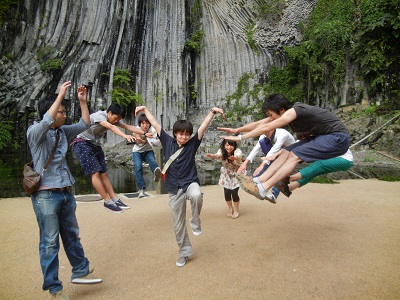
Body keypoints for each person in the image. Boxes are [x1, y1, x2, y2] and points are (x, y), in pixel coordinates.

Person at [27, 82, 102, 299]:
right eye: (61, 111)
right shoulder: (35, 133)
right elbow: (47, 120)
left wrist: (83, 102)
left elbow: (85, 123)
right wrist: (59, 94)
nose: (64, 115)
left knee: (71, 234)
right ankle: (54, 288)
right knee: (50, 241)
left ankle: (80, 270)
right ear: (49, 112)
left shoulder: (62, 132)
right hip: (46, 194)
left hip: (65, 192)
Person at [134, 106, 225, 267]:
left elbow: (203, 127)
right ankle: (184, 252)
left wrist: (212, 112)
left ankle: (195, 221)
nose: (184, 137)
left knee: (197, 195)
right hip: (174, 188)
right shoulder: (167, 141)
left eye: (186, 134)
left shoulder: (192, 144)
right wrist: (145, 109)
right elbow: (154, 123)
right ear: (175, 133)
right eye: (181, 134)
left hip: (190, 182)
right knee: (178, 224)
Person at [219, 93, 350, 202]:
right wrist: (236, 130)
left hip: (338, 137)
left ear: (281, 109)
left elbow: (266, 127)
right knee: (287, 151)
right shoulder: (286, 114)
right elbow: (259, 123)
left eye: (270, 114)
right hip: (324, 137)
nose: (269, 118)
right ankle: (258, 181)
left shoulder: (294, 111)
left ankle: (263, 188)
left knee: (294, 155)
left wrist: (240, 138)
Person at [71, 102, 144, 213]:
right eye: (116, 117)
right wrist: (125, 136)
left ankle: (115, 199)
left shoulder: (113, 119)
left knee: (104, 174)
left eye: (119, 118)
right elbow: (110, 126)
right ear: (109, 113)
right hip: (81, 143)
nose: (116, 120)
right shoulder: (100, 116)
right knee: (95, 173)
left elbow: (128, 126)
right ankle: (107, 201)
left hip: (94, 144)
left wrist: (146, 133)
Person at [236, 128, 296, 202]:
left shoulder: (282, 134)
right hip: (278, 154)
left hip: (292, 154)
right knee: (263, 142)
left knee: (277, 170)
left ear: (273, 128)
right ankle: (254, 182)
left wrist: (262, 165)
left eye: (268, 130)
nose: (266, 133)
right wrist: (245, 163)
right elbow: (256, 149)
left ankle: (273, 193)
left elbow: (275, 149)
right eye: (264, 131)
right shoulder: (263, 136)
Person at [272, 149, 354, 198]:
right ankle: (289, 188)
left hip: (345, 159)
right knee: (314, 172)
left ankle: (287, 179)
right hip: (343, 160)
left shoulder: (324, 136)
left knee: (319, 164)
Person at [205, 139, 245, 218]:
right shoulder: (222, 151)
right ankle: (230, 208)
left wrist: (235, 157)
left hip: (237, 173)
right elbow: (218, 155)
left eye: (231, 145)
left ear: (234, 146)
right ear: (224, 145)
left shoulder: (237, 151)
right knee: (227, 193)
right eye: (227, 145)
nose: (229, 147)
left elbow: (239, 155)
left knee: (234, 192)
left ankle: (236, 210)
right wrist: (214, 156)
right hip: (226, 173)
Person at [132, 113, 162, 198]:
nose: (145, 126)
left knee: (152, 161)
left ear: (150, 124)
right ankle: (141, 189)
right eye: (143, 123)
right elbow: (137, 136)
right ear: (140, 124)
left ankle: (156, 173)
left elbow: (155, 143)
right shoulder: (136, 129)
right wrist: (144, 136)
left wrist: (158, 139)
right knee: (138, 167)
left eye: (147, 123)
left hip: (148, 151)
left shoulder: (153, 129)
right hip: (137, 152)